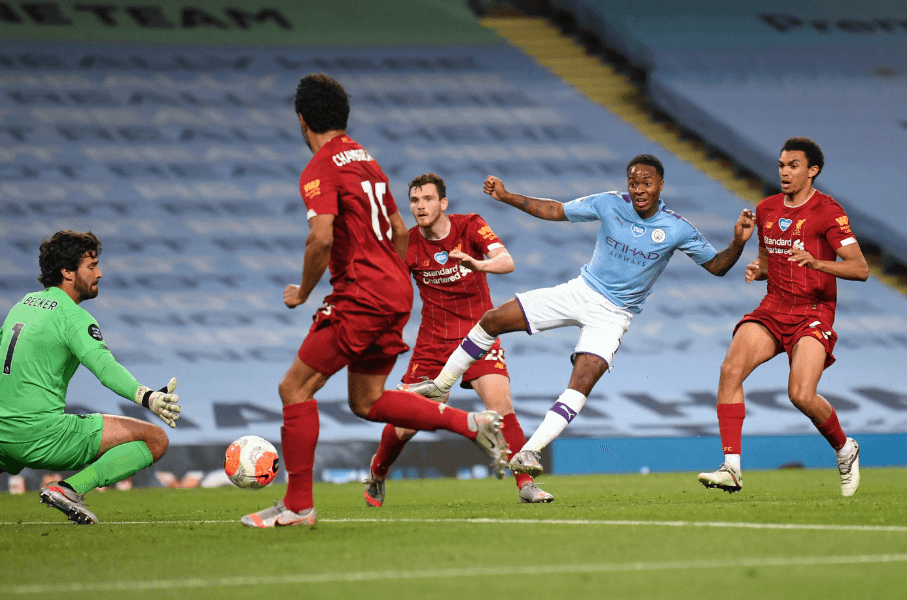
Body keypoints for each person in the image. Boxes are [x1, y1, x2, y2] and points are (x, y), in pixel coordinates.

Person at [240, 74, 509, 529]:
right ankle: (470, 424)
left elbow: (320, 238)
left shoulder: (321, 167)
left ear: (302, 121)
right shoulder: (368, 161)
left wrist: (303, 292)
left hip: (363, 294)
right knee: (367, 401)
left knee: (294, 389)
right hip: (394, 291)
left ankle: (299, 506)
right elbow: (401, 231)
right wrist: (390, 281)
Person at [406, 155, 756, 483]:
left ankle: (531, 450)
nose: (638, 189)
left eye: (646, 183)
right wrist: (506, 195)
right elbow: (555, 210)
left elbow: (717, 266)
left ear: (660, 185)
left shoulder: (677, 228)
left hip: (614, 315)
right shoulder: (609, 203)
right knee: (494, 318)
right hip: (581, 291)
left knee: (581, 381)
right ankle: (442, 383)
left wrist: (738, 242)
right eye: (633, 182)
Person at [0, 231, 181, 527]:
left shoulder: (25, 304)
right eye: (91, 266)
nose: (99, 273)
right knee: (155, 439)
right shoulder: (73, 317)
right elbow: (104, 368)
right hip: (39, 435)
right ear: (67, 272)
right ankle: (69, 489)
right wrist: (147, 396)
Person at [364, 173, 553, 506]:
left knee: (500, 406)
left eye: (427, 199)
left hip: (479, 335)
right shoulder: (406, 244)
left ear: (443, 203)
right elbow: (387, 288)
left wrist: (477, 263)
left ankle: (525, 485)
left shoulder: (470, 226)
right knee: (406, 426)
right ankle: (377, 473)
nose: (420, 206)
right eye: (414, 200)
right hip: (433, 343)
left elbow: (506, 261)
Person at [699, 137, 868, 497]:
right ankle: (731, 467)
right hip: (774, 308)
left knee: (801, 394)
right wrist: (756, 266)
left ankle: (844, 448)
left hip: (812, 313)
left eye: (793, 165)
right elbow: (769, 262)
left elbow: (861, 268)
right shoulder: (766, 209)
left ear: (812, 170)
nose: (785, 172)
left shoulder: (827, 211)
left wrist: (817, 262)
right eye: (781, 165)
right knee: (730, 370)